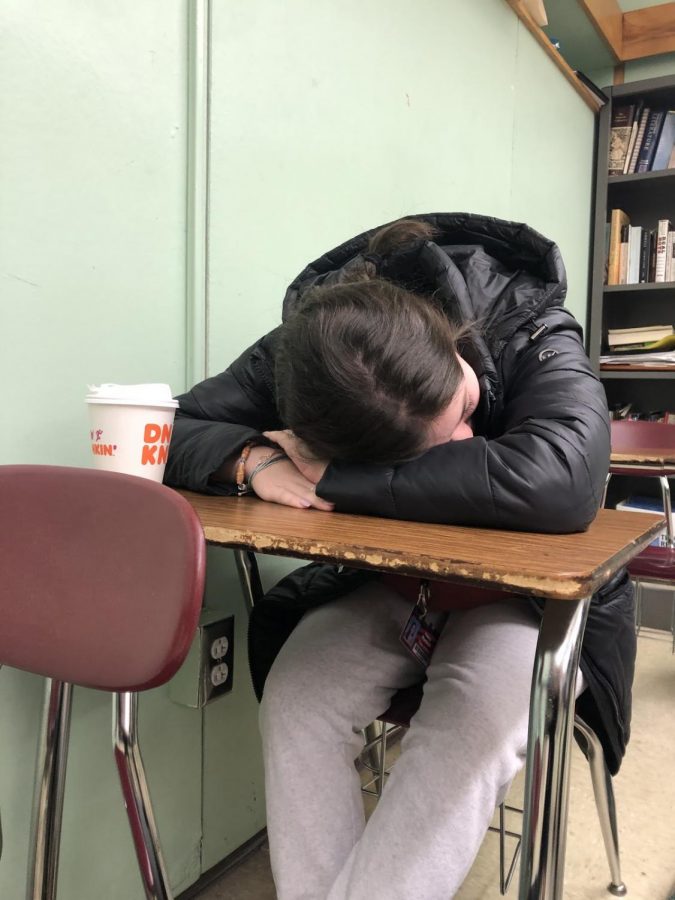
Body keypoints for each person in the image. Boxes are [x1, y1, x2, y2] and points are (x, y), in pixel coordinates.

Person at [164, 214, 635, 900]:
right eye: (443, 446)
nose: (473, 434)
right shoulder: (316, 358)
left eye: (467, 404)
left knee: (474, 722)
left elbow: (561, 482)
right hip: (392, 586)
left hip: (524, 601)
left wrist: (329, 477)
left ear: (453, 343)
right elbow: (172, 425)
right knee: (298, 699)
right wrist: (253, 459)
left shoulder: (526, 320)